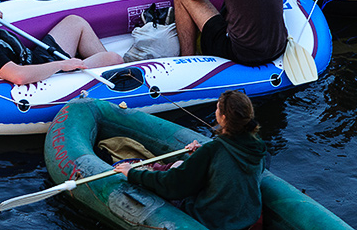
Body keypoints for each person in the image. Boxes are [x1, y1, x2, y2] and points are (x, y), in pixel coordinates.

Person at [114, 90, 267, 230]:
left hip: (213, 221)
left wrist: (133, 173)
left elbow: (174, 184)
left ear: (224, 117)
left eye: (217, 108)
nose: (216, 112)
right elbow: (227, 172)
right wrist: (200, 158)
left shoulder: (213, 149)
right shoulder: (257, 147)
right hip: (246, 217)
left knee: (177, 166)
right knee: (180, 164)